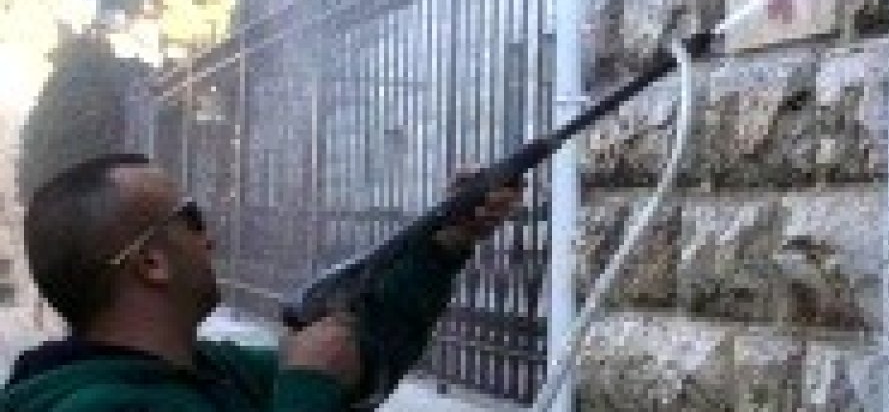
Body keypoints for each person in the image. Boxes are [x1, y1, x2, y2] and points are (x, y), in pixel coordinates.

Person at [0, 152, 521, 411]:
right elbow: (314, 384)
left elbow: (361, 355)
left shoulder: (208, 369)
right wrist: (306, 390)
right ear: (150, 263)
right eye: (192, 218)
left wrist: (444, 242)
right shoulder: (96, 408)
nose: (211, 238)